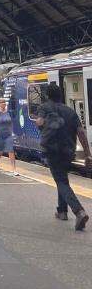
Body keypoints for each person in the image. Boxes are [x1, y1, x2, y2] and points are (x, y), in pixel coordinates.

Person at [36, 83, 92, 230]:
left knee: (61, 181)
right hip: (68, 151)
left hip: (52, 150)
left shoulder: (45, 107)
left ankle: (79, 211)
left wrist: (43, 126)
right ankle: (62, 211)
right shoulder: (70, 111)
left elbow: (39, 122)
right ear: (60, 95)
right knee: (62, 178)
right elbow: (81, 132)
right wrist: (88, 155)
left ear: (48, 95)